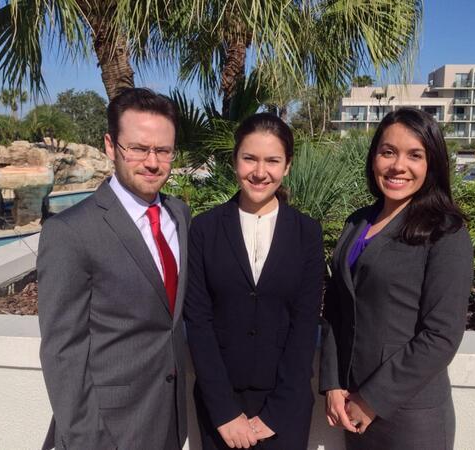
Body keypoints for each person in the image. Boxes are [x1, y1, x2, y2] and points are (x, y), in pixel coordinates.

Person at [37, 88, 190, 450]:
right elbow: (62, 352)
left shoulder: (179, 214)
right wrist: (90, 441)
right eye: (137, 148)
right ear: (110, 146)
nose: (152, 162)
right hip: (108, 431)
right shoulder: (70, 232)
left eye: (163, 150)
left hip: (169, 421)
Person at [320, 107, 473, 450]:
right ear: (374, 157)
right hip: (351, 407)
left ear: (432, 164)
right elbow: (336, 309)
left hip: (410, 416)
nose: (398, 166)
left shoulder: (445, 231)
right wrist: (332, 383)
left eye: (414, 155)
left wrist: (372, 399)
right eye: (388, 152)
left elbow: (441, 335)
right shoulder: (357, 222)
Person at [185, 113, 325, 449]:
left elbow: (305, 324)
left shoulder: (307, 232)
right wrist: (224, 411)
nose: (260, 172)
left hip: (285, 406)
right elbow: (198, 321)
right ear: (235, 160)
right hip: (221, 406)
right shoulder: (204, 229)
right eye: (250, 158)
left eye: (272, 161)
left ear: (287, 165)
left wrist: (276, 413)